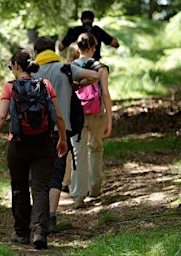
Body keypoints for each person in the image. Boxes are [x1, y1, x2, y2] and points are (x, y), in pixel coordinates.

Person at [0, 49, 68, 249]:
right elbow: (59, 115)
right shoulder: (45, 85)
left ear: (17, 66)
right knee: (40, 188)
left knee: (19, 187)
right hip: (44, 143)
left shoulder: (9, 87)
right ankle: (40, 231)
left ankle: (21, 233)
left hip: (18, 145)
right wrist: (62, 138)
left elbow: (1, 116)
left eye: (11, 66)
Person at [33, 36, 99, 233]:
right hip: (62, 129)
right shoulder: (66, 68)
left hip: (36, 130)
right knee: (56, 173)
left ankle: (38, 217)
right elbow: (95, 76)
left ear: (37, 53)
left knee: (37, 174)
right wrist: (77, 85)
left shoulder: (32, 70)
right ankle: (52, 216)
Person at [70, 32, 113, 209]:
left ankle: (79, 195)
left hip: (76, 115)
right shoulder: (101, 67)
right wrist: (109, 119)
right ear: (94, 48)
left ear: (78, 48)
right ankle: (95, 189)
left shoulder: (70, 67)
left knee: (78, 154)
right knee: (95, 148)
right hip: (96, 113)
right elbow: (105, 93)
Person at [61, 42, 80, 193]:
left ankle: (65, 181)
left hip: (68, 112)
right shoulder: (87, 67)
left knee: (69, 148)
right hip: (86, 111)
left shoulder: (65, 69)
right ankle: (81, 181)